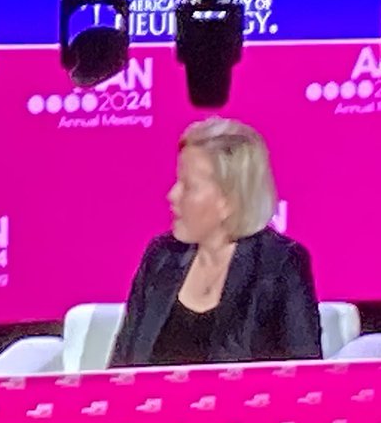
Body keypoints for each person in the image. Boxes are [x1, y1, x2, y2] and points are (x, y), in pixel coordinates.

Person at [110, 117, 321, 368]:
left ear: (228, 201)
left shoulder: (279, 263)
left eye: (188, 186)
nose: (172, 195)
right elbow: (120, 369)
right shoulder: (161, 258)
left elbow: (304, 375)